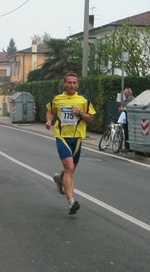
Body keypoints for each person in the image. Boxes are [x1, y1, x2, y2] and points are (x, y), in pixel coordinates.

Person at [45, 73, 96, 214]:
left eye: (74, 83)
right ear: (64, 84)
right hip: (62, 137)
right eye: (69, 82)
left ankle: (59, 179)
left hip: (78, 138)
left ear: (78, 85)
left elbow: (90, 118)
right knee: (69, 167)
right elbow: (50, 110)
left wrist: (79, 112)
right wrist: (49, 120)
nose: (72, 85)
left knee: (70, 169)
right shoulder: (57, 99)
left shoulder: (83, 100)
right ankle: (71, 202)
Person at [119, 87, 135, 153]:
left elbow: (132, 108)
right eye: (124, 92)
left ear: (130, 93)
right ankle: (126, 147)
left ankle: (129, 147)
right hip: (125, 118)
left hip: (129, 118)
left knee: (128, 133)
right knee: (125, 132)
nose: (125, 94)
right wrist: (121, 108)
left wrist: (124, 109)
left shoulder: (132, 99)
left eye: (126, 92)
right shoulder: (125, 99)